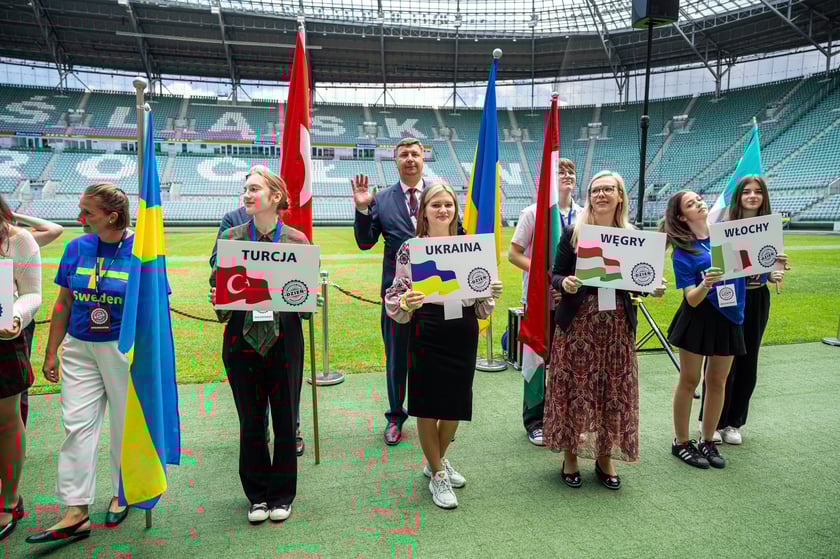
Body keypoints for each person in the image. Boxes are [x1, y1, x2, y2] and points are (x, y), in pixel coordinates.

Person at [384, 182, 502, 509]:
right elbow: (395, 295)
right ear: (424, 211)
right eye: (435, 204)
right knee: (427, 403)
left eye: (448, 204)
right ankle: (437, 474)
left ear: (455, 209)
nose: (443, 210)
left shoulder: (470, 246)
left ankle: (436, 459)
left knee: (456, 403)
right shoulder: (411, 248)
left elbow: (481, 303)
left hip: (462, 328)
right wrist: (406, 300)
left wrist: (489, 291)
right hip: (428, 328)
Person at [27, 183, 133, 545]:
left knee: (124, 425)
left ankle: (123, 493)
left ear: (112, 216)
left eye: (87, 212)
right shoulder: (76, 247)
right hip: (79, 347)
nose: (80, 218)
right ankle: (76, 510)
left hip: (122, 350)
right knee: (76, 425)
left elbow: (152, 309)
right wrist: (50, 350)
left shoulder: (141, 250)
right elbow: (63, 302)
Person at [545, 171, 665, 490]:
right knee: (575, 390)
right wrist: (564, 282)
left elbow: (641, 280)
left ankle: (604, 457)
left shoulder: (632, 235)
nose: (600, 194)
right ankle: (570, 455)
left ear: (620, 196)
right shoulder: (574, 232)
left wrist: (653, 287)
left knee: (613, 392)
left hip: (617, 327)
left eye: (608, 189)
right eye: (595, 190)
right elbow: (555, 275)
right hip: (579, 323)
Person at [208, 168, 308, 524]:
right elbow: (216, 288)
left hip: (285, 340)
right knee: (251, 422)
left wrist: (309, 298)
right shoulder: (231, 238)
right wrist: (217, 296)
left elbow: (304, 302)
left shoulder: (297, 240)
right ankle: (257, 496)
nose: (247, 194)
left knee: (284, 420)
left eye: (254, 189)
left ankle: (282, 494)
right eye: (245, 189)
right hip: (241, 339)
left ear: (276, 197)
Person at [352, 137, 464, 446]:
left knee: (436, 356)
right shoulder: (382, 198)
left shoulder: (439, 195)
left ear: (423, 158)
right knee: (397, 357)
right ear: (396, 160)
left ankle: (438, 413)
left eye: (415, 153)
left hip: (440, 294)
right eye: (404, 154)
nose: (410, 158)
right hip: (398, 296)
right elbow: (365, 242)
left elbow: (459, 236)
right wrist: (363, 210)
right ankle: (395, 415)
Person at [699, 176, 789, 445]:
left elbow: (770, 269)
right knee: (720, 360)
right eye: (746, 192)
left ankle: (734, 423)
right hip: (728, 298)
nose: (752, 196)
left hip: (756, 299)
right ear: (738, 197)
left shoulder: (771, 229)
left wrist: (776, 273)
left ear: (764, 197)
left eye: (757, 192)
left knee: (748, 360)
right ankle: (711, 421)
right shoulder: (724, 227)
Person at [662, 190, 746, 470]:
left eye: (698, 199)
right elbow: (691, 299)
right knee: (690, 380)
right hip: (698, 319)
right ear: (681, 216)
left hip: (730, 316)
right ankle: (681, 442)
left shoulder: (728, 235)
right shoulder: (683, 251)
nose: (698, 202)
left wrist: (773, 267)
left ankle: (707, 440)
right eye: (690, 203)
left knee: (718, 382)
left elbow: (749, 264)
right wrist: (707, 283)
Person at [508, 157, 582, 446]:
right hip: (539, 299)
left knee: (569, 359)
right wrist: (544, 276)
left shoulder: (585, 215)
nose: (566, 175)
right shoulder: (532, 213)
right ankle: (535, 419)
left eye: (570, 171)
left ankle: (563, 415)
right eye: (560, 171)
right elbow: (514, 254)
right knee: (537, 358)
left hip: (574, 298)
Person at [0, 195, 42, 541]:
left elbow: (32, 293)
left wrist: (16, 315)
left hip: (3, 338)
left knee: (7, 420)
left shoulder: (18, 239)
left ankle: (9, 499)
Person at [9, 212, 63, 426]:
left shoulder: (17, 238)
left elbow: (54, 229)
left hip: (12, 321)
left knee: (14, 386)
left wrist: (12, 214)